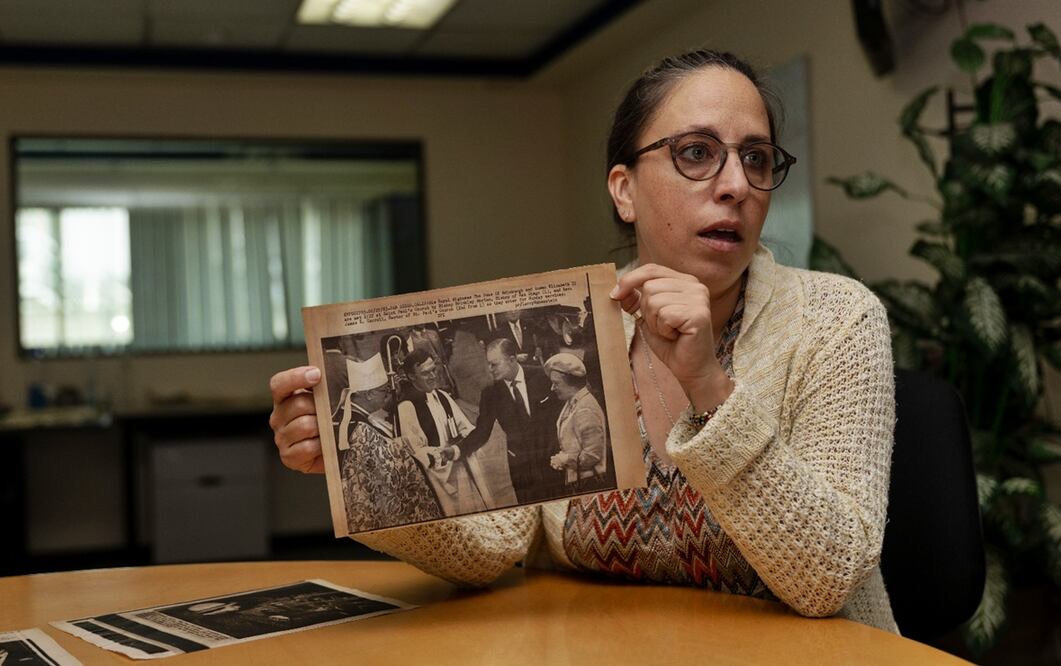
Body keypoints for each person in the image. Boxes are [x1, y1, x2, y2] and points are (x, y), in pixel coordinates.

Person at [269, 49, 896, 633]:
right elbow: (493, 543)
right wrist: (360, 469)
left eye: (755, 158)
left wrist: (710, 387)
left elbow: (828, 577)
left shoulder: (835, 319)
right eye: (698, 153)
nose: (735, 184)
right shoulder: (583, 327)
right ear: (625, 190)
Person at [333, 355, 442, 532]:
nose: (387, 396)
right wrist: (400, 450)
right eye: (384, 391)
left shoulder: (350, 418)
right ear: (368, 394)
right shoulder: (360, 429)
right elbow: (387, 473)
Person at [446, 338, 561, 504]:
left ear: (512, 360)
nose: (490, 369)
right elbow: (481, 432)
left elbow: (562, 413)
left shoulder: (542, 376)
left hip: (552, 458)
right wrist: (457, 450)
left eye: (495, 364)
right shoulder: (490, 393)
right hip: (521, 467)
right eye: (488, 364)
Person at [397, 349, 495, 515]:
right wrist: (443, 454)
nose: (433, 376)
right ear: (412, 376)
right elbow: (415, 452)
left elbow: (466, 427)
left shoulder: (442, 396)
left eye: (434, 369)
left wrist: (461, 446)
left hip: (462, 467)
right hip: (440, 480)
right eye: (425, 373)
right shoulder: (407, 406)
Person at [544, 353, 609, 492]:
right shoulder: (573, 402)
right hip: (579, 481)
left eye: (556, 383)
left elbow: (593, 455)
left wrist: (564, 460)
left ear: (571, 382)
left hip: (590, 485)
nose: (552, 388)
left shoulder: (585, 408)